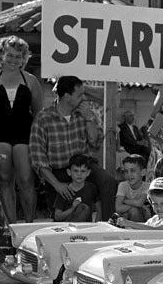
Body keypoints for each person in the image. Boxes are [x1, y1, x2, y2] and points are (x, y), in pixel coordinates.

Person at [30, 76, 117, 222]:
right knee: (62, 215)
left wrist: (90, 119)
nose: (84, 97)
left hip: (84, 166)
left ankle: (109, 225)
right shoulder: (43, 118)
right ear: (66, 96)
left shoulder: (85, 114)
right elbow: (38, 160)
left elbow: (95, 143)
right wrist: (57, 185)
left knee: (108, 181)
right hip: (58, 172)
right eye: (80, 94)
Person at [0, 36, 43, 223]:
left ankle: (29, 223)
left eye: (18, 56)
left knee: (26, 179)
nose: (14, 60)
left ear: (24, 58)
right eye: (10, 55)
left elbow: (38, 112)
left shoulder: (31, 81)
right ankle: (12, 225)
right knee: (5, 178)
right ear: (1, 55)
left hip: (24, 132)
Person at [51, 153, 98, 222]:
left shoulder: (92, 188)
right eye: (76, 171)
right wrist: (73, 208)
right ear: (69, 172)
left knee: (84, 208)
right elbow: (57, 216)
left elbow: (99, 210)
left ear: (88, 172)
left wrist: (96, 227)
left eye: (83, 171)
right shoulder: (64, 190)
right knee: (83, 208)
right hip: (66, 228)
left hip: (86, 229)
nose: (79, 174)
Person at [114, 154, 149, 222]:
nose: (129, 174)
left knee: (134, 211)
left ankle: (137, 232)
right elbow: (118, 208)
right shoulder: (123, 185)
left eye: (132, 171)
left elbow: (139, 203)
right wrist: (139, 206)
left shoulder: (147, 186)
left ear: (143, 172)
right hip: (126, 216)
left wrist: (124, 200)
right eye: (126, 171)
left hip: (142, 219)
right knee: (129, 212)